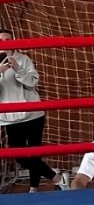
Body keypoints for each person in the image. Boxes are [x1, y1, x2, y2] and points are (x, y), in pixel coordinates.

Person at [0, 28, 66, 193]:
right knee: (20, 156)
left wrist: (18, 69)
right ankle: (56, 177)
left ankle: (34, 187)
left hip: (33, 114)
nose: (5, 44)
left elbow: (33, 82)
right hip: (9, 116)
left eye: (8, 40)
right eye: (1, 40)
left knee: (35, 153)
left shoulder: (24, 59)